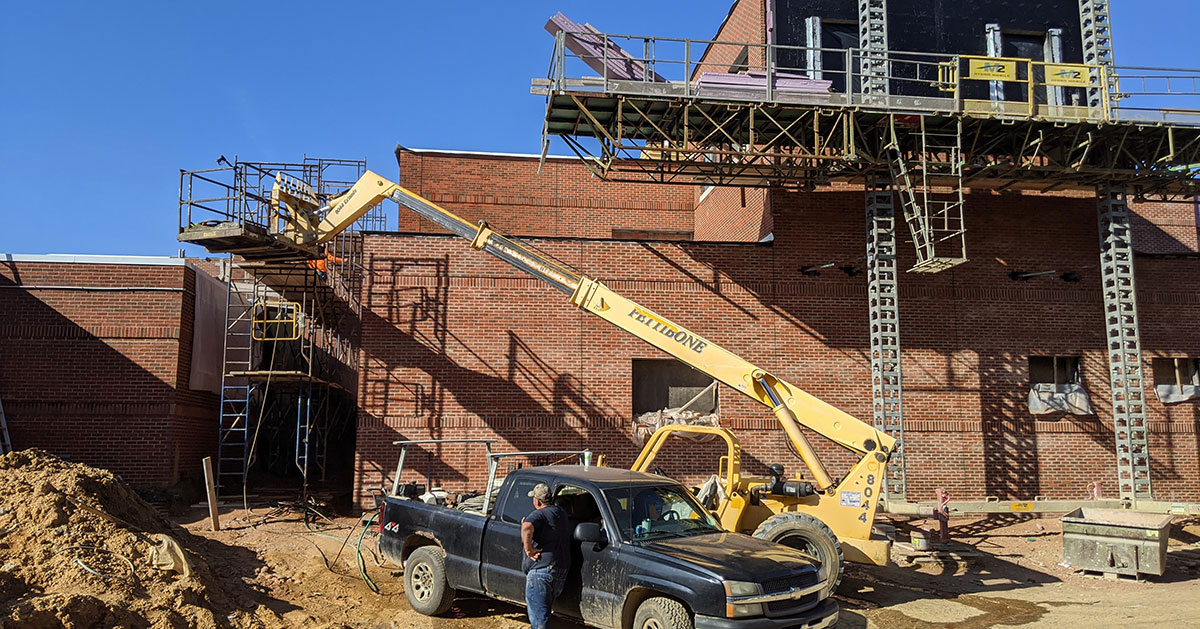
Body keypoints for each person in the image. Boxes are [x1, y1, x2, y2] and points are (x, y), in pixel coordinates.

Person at [521, 483, 570, 629]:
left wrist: (528, 549)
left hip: (540, 573)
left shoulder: (538, 514)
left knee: (540, 622)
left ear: (537, 501)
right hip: (558, 570)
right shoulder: (560, 512)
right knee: (544, 615)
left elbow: (527, 527)